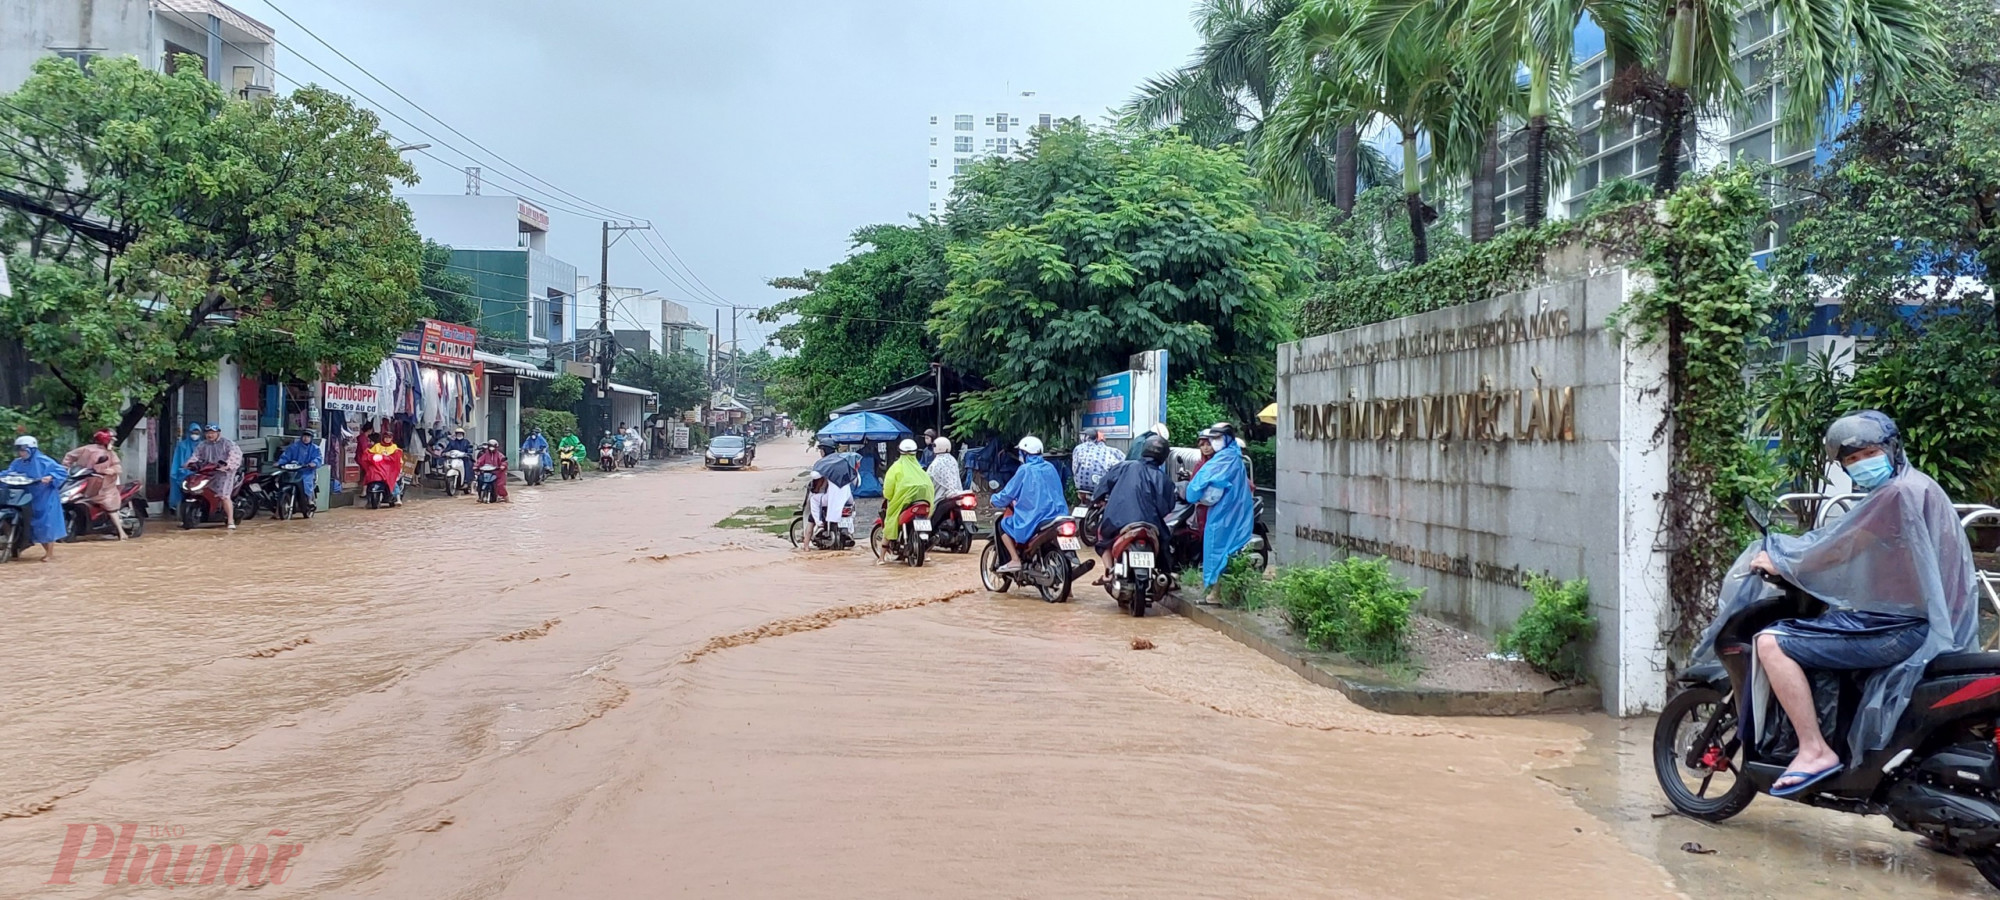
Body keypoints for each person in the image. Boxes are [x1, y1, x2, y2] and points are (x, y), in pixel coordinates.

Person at [1732, 411, 1976, 796]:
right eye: (1851, 460)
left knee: (1771, 642)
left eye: (1869, 453)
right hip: (1919, 623)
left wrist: (1780, 559)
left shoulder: (1897, 494)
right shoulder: (1919, 487)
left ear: (1892, 449)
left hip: (1902, 629)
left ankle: (1814, 750)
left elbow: (1839, 550)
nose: (1862, 464)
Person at [1092, 434, 1178, 582]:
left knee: (1102, 537)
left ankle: (1109, 572)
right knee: (1165, 542)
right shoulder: (1164, 479)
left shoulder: (1124, 466)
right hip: (1151, 524)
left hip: (1118, 522)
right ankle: (1166, 575)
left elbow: (1102, 486)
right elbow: (1168, 508)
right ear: (1164, 456)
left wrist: (1099, 500)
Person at [1185, 422, 1253, 603]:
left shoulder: (1225, 459)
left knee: (1218, 549)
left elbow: (1196, 488)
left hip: (1224, 513)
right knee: (1225, 551)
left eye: (1216, 438)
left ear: (1227, 438)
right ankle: (1220, 592)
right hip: (1227, 511)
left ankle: (1216, 594)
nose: (1211, 444)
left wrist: (1194, 492)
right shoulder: (1231, 457)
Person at [991, 436, 1068, 574]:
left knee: (1003, 525)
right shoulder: (1050, 467)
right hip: (1058, 514)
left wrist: (994, 500)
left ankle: (1015, 559)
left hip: (1035, 517)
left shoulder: (1025, 470)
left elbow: (1008, 493)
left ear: (1024, 454)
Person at [8, 436, 69, 560]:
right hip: (24, 496)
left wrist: (50, 477)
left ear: (32, 450)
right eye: (19, 450)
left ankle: (49, 553)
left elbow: (62, 472)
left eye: (24, 450)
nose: (22, 453)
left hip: (44, 497)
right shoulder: (17, 462)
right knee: (30, 523)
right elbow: (9, 473)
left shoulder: (44, 461)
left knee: (46, 524)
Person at [61, 430, 128, 540]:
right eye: (111, 439)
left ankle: (122, 532)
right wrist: (65, 468)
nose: (113, 442)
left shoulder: (110, 453)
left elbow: (117, 466)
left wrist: (110, 470)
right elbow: (69, 456)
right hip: (85, 479)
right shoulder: (87, 449)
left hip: (105, 484)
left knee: (109, 505)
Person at [878, 438, 936, 563]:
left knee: (890, 522)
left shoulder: (896, 468)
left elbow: (888, 489)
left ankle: (881, 558)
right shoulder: (920, 470)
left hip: (903, 504)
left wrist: (888, 497)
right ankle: (925, 554)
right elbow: (930, 487)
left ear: (900, 452)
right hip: (923, 502)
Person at [187, 423, 243, 530]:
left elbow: (235, 455)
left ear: (218, 433)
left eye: (212, 433)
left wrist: (227, 465)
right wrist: (191, 463)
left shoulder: (227, 443)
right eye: (208, 433)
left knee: (224, 496)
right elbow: (195, 455)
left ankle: (230, 521)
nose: (210, 435)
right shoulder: (203, 445)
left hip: (224, 473)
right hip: (208, 471)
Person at [810, 441, 857, 539]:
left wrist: (822, 471)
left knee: (814, 499)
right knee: (852, 509)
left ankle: (819, 524)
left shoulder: (826, 463)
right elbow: (857, 482)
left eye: (821, 450)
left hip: (833, 498)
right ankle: (849, 529)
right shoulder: (845, 461)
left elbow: (814, 475)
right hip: (848, 498)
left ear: (824, 451)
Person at [1070, 428, 1125, 498]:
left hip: (1080, 486)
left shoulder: (1078, 448)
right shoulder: (1110, 451)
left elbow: (1074, 469)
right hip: (1100, 487)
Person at [276, 430, 322, 511]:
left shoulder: (315, 448)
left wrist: (313, 463)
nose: (305, 438)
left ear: (311, 438)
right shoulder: (294, 447)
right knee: (282, 480)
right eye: (304, 436)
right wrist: (279, 463)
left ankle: (309, 500)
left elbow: (318, 458)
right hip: (293, 470)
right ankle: (278, 507)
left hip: (306, 471)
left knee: (306, 482)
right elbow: (286, 456)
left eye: (308, 437)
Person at [363, 432, 407, 505]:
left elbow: (397, 456)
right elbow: (370, 453)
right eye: (386, 437)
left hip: (390, 469)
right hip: (378, 468)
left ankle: (398, 498)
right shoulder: (377, 446)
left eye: (389, 438)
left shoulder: (394, 447)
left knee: (393, 482)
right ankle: (367, 495)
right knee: (369, 476)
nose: (387, 439)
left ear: (391, 439)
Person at [168, 423, 202, 510]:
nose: (195, 435)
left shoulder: (202, 445)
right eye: (193, 433)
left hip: (199, 472)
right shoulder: (182, 445)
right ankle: (176, 505)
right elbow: (178, 460)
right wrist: (184, 468)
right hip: (183, 471)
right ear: (189, 433)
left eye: (197, 433)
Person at [439, 427, 475, 492]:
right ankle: (447, 484)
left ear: (463, 434)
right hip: (453, 459)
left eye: (461, 433)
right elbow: (447, 449)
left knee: (468, 465)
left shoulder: (466, 442)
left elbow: (469, 450)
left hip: (463, 459)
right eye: (458, 433)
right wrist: (444, 453)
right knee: (446, 466)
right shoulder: (452, 442)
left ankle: (466, 481)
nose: (459, 435)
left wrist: (468, 454)